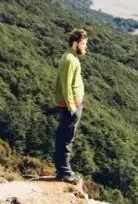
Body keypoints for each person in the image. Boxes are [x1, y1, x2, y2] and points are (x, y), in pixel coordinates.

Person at [53, 28, 88, 184]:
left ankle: (62, 170)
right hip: (71, 106)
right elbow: (66, 85)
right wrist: (72, 107)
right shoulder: (69, 59)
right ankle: (65, 173)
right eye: (83, 44)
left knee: (64, 137)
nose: (85, 47)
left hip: (72, 104)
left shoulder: (72, 57)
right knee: (66, 139)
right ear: (75, 44)